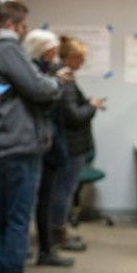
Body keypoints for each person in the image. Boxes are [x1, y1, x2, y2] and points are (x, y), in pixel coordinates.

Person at [0, 2, 66, 273]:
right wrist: (57, 83)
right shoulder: (6, 49)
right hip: (19, 145)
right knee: (17, 223)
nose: (26, 31)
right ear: (12, 24)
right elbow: (38, 89)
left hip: (0, 143)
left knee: (7, 220)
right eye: (24, 25)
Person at [23, 29, 75, 267]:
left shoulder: (41, 73)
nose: (55, 56)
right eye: (51, 51)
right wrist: (59, 84)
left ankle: (45, 247)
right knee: (42, 201)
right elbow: (51, 107)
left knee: (44, 199)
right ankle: (44, 249)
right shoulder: (37, 76)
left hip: (49, 144)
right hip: (44, 145)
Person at [53, 36, 106, 245]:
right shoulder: (65, 80)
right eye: (80, 58)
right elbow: (74, 116)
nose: (82, 63)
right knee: (64, 191)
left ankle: (59, 229)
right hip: (71, 145)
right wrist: (92, 106)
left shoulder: (66, 77)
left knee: (64, 189)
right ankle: (59, 233)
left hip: (72, 144)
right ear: (72, 58)